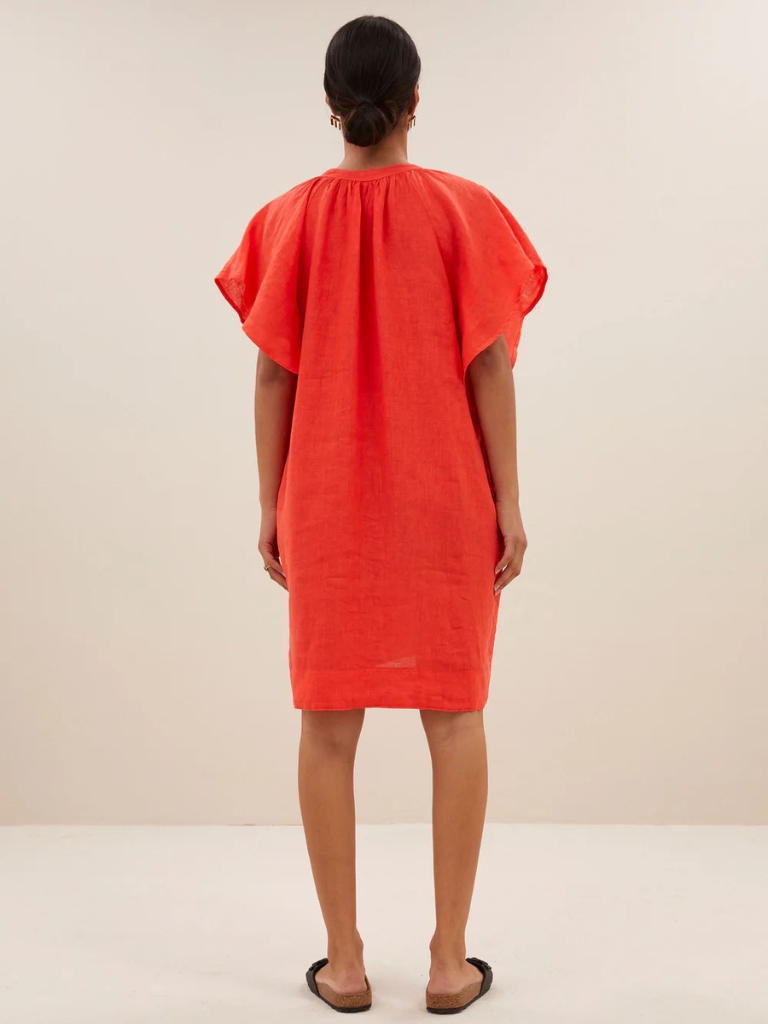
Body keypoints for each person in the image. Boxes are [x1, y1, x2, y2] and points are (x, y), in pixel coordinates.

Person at [214, 14, 548, 1015]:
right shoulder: (466, 211)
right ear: (414, 103)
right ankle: (449, 962)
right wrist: (510, 500)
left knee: (326, 726)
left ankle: (345, 962)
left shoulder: (285, 220)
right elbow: (490, 366)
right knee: (457, 716)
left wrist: (269, 500)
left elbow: (272, 375)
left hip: (324, 498)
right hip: (447, 497)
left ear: (331, 106)